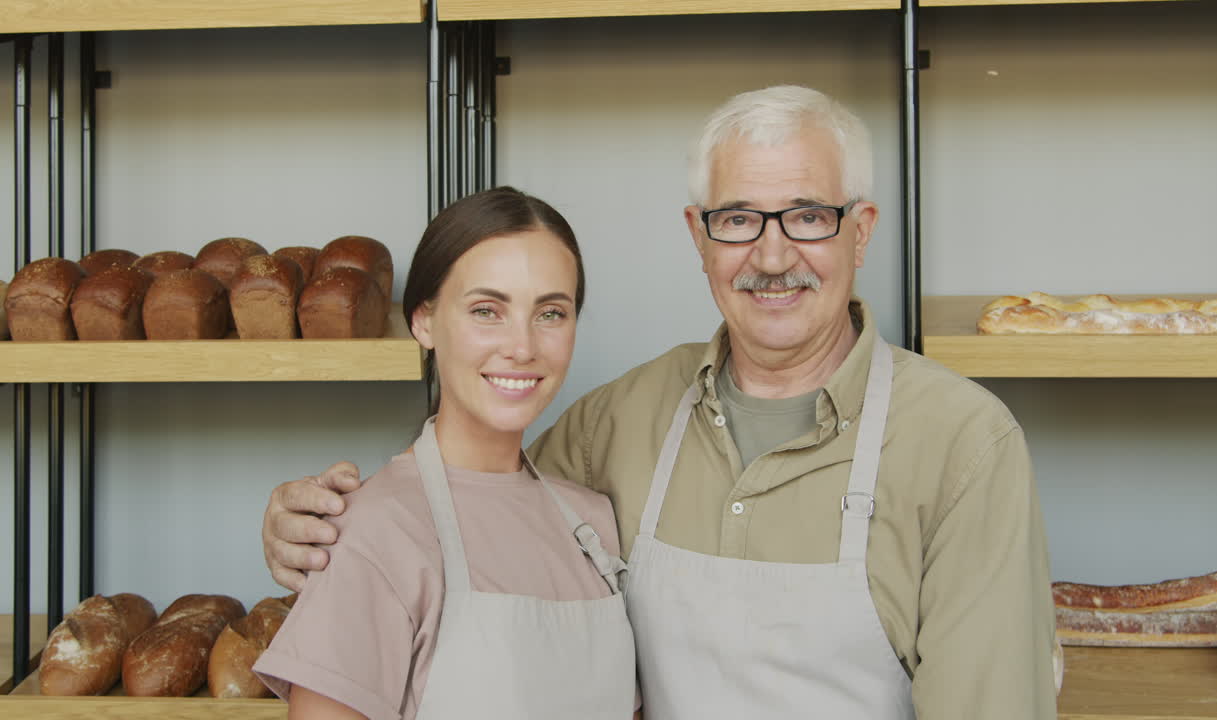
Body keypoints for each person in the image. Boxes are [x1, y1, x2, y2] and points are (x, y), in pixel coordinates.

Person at [262, 85, 1057, 719]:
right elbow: (470, 507)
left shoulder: (961, 444)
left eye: (809, 217)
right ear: (698, 237)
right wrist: (315, 530)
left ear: (861, 231)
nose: (773, 256)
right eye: (739, 219)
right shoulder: (624, 418)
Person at [252, 187, 638, 720]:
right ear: (424, 321)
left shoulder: (593, 529)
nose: (522, 346)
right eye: (487, 309)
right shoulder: (372, 533)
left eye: (551, 313)